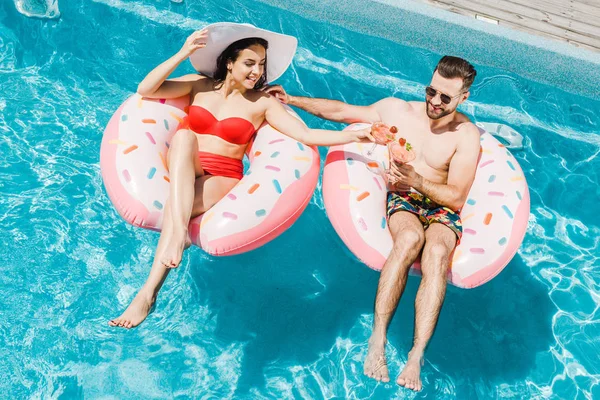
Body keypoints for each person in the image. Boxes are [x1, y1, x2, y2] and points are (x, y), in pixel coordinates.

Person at [108, 23, 374, 329]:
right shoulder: (199, 85)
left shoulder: (262, 103)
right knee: (183, 139)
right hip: (188, 162)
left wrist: (358, 137)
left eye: (261, 65)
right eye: (250, 63)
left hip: (223, 175)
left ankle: (147, 293)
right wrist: (183, 52)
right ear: (229, 62)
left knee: (175, 205)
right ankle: (177, 238)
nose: (257, 72)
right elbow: (146, 88)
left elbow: (306, 134)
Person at [265, 56, 480, 391]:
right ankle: (377, 338)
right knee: (409, 240)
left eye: (445, 98)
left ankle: (416, 355)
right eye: (431, 91)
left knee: (436, 252)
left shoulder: (465, 136)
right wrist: (291, 100)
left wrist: (418, 180)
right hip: (404, 200)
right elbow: (341, 111)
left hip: (439, 205)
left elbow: (455, 198)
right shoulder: (398, 110)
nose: (434, 102)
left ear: (463, 97)